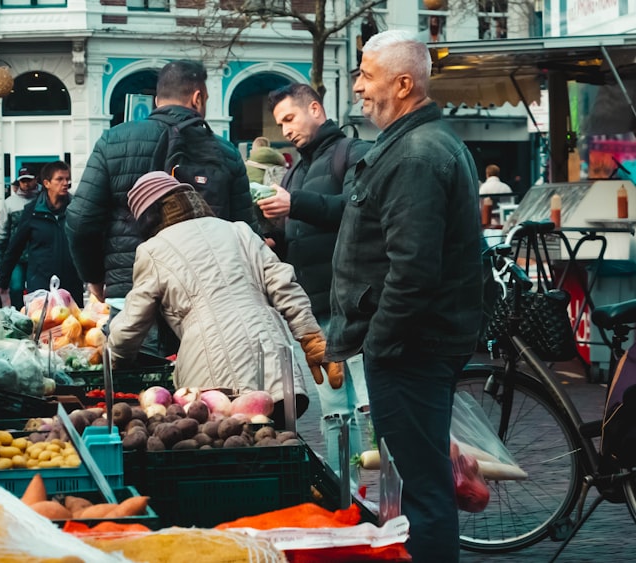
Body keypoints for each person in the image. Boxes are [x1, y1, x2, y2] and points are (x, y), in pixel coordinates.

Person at [329, 30, 483, 562]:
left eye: (367, 76)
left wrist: (382, 342)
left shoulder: (416, 153)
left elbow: (414, 269)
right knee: (425, 481)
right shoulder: (421, 144)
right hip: (419, 342)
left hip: (412, 346)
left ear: (402, 82)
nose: (358, 87)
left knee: (425, 490)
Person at [107, 172, 341, 428]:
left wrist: (114, 356)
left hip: (213, 377)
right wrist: (310, 336)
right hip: (272, 358)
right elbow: (284, 285)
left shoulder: (152, 250)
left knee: (229, 447)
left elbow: (132, 323)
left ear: (146, 218)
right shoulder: (239, 230)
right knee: (279, 445)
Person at [67, 59, 257, 307]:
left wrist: (94, 276)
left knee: (131, 345)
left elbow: (80, 220)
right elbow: (246, 232)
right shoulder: (226, 153)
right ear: (198, 98)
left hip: (131, 290)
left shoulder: (114, 140)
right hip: (203, 297)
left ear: (157, 100)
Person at [256, 83, 372, 480]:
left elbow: (359, 212)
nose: (285, 130)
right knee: (335, 410)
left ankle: (395, 495)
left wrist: (296, 205)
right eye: (280, 123)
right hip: (317, 312)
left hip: (355, 307)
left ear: (316, 110)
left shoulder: (352, 153)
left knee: (368, 407)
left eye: (290, 118)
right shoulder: (293, 172)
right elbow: (298, 235)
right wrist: (272, 237)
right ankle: (350, 493)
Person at [0, 161, 83, 305]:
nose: (65, 183)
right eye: (59, 179)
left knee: (72, 327)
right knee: (42, 326)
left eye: (67, 179)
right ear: (47, 183)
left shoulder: (76, 210)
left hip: (71, 286)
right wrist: (2, 281)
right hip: (41, 286)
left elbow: (89, 243)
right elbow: (15, 247)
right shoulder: (32, 211)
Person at [0, 166, 38, 309]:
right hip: (16, 255)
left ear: (35, 180)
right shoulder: (10, 202)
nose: (26, 184)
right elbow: (3, 230)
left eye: (29, 180)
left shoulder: (42, 200)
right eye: (23, 181)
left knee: (35, 290)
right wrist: (0, 255)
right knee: (16, 287)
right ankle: (18, 313)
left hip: (36, 253)